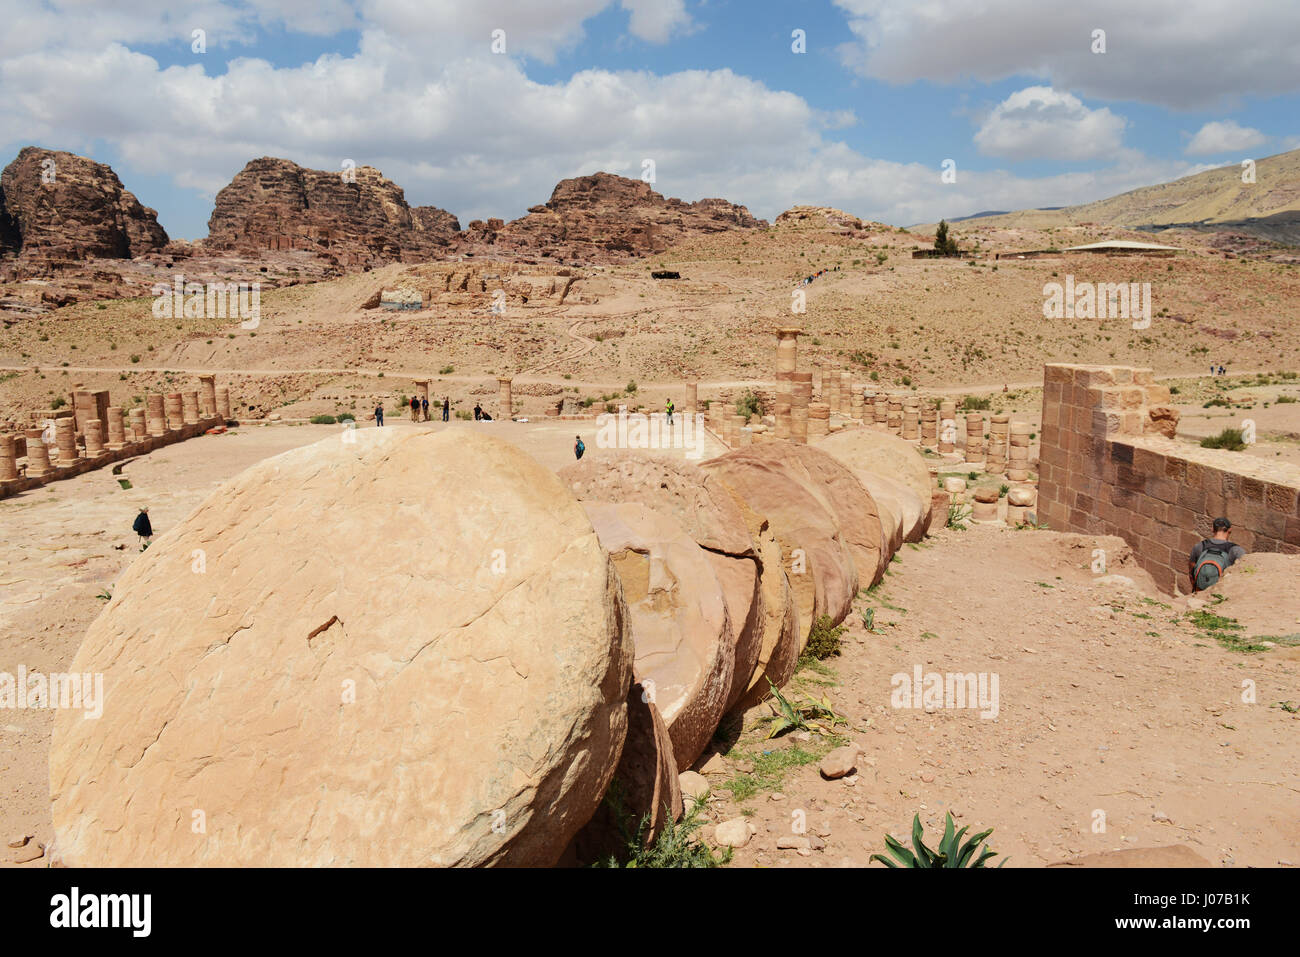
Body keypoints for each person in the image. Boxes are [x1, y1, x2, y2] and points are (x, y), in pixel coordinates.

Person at [1188, 517, 1246, 592]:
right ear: (1230, 530)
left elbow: (1191, 571)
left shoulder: (1200, 546)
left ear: (1212, 529)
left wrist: (1196, 587)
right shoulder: (1236, 550)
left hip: (1200, 590)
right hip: (1220, 593)